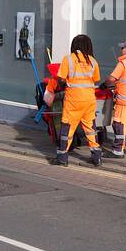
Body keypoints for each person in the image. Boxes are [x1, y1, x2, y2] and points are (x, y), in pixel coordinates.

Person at [44, 35, 102, 167]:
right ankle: (97, 156)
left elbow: (61, 79)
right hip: (89, 99)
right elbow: (96, 79)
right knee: (90, 129)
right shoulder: (93, 61)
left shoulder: (68, 59)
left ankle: (62, 158)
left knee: (67, 128)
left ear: (74, 45)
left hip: (74, 100)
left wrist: (62, 84)